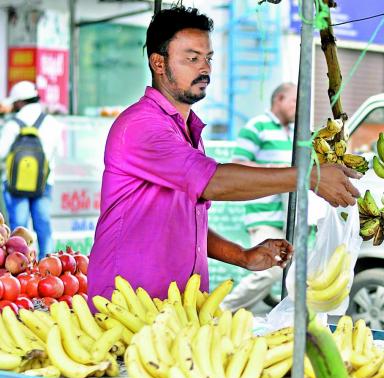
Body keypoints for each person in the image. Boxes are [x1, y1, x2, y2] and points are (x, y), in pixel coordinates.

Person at [87, 6, 360, 301]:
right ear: (158, 63)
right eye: (192, 58)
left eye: (208, 58)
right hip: (125, 306)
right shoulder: (141, 126)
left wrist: (241, 256)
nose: (204, 68)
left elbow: (183, 224)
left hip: (179, 309)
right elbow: (213, 181)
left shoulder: (186, 130)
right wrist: (308, 177)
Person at [221, 83, 297, 312]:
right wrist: (276, 170)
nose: (298, 108)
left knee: (286, 269)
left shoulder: (294, 132)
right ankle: (220, 311)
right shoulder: (257, 126)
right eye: (294, 102)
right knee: (269, 270)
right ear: (280, 99)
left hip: (288, 216)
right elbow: (236, 164)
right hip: (263, 213)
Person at [0, 81, 63, 257]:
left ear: (19, 102)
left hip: (15, 185)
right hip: (43, 183)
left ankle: (20, 271)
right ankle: (48, 266)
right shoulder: (52, 123)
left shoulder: (13, 124)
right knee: (43, 226)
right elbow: (59, 153)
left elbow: (1, 152)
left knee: (19, 231)